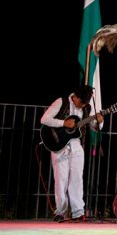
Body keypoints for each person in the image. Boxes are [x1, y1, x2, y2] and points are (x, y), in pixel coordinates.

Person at [40, 85, 103, 222]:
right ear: (75, 97)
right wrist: (63, 123)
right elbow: (44, 119)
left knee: (77, 178)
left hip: (76, 144)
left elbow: (92, 126)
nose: (82, 106)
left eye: (85, 104)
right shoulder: (61, 102)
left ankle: (78, 211)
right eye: (81, 103)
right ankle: (60, 212)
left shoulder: (86, 108)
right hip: (59, 144)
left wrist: (98, 122)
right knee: (61, 179)